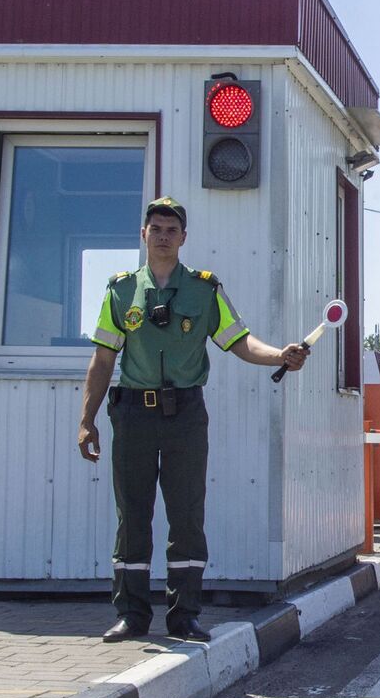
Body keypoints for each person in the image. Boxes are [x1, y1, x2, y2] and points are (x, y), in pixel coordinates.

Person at [77, 197, 310, 643]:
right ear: (143, 235)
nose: (163, 235)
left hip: (184, 415)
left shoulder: (204, 291)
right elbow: (103, 359)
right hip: (132, 415)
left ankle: (184, 617)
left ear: (184, 238)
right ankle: (132, 615)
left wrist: (279, 355)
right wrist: (87, 419)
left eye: (172, 230)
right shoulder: (121, 291)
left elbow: (239, 342)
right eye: (156, 228)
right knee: (133, 515)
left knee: (186, 515)